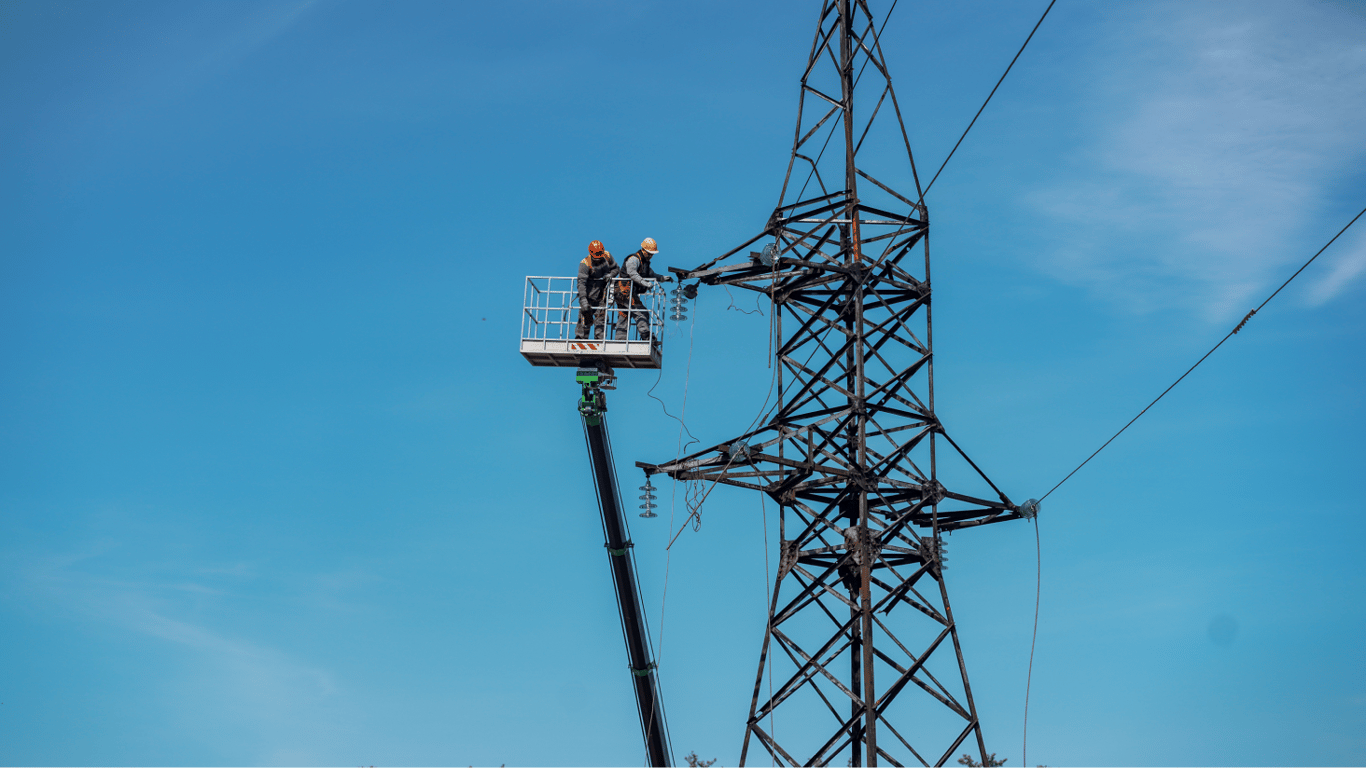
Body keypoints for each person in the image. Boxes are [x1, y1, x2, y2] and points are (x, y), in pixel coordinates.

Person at [614, 237, 673, 341]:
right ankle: (645, 336)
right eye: (649, 253)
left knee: (624, 314)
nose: (651, 256)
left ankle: (620, 340)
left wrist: (663, 278)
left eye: (652, 254)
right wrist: (645, 283)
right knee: (641, 312)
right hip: (624, 291)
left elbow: (651, 274)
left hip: (628, 292)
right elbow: (632, 273)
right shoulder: (634, 259)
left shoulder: (644, 262)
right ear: (643, 250)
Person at [575, 240, 618, 339]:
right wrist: (583, 301)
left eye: (600, 255)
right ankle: (580, 340)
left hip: (601, 297)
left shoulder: (607, 256)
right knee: (584, 318)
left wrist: (610, 275)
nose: (598, 258)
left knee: (601, 320)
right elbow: (581, 284)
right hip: (588, 297)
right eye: (596, 256)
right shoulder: (585, 263)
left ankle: (599, 341)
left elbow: (616, 269)